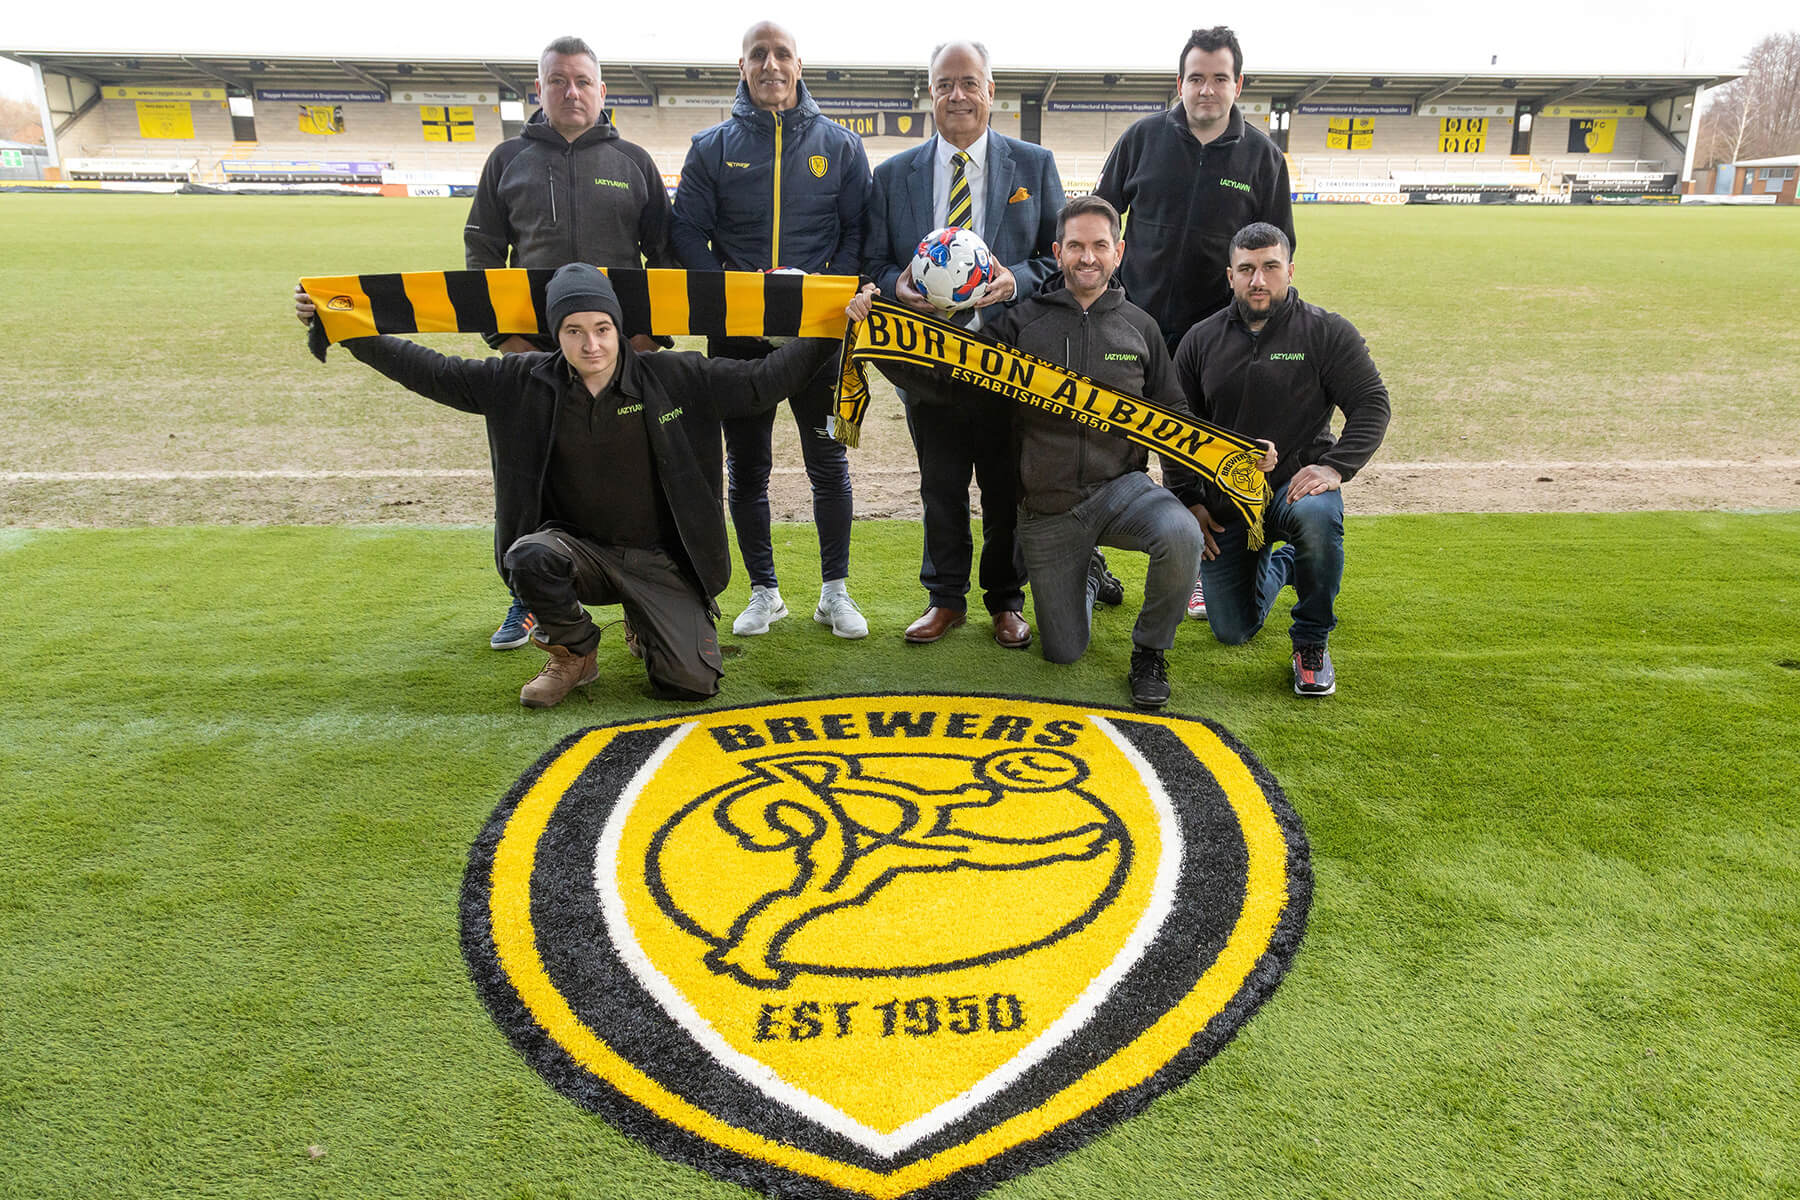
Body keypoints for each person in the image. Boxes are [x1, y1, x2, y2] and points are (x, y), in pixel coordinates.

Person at [294, 265, 859, 708]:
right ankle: (573, 653)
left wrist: (836, 326)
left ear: (619, 330)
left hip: (663, 559)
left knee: (689, 685)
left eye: (603, 329)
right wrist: (348, 328)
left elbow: (762, 384)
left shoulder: (674, 375)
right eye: (574, 331)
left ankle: (649, 624)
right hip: (577, 553)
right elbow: (434, 371)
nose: (591, 345)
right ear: (555, 334)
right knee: (529, 556)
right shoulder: (520, 381)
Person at [983, 195, 1272, 708]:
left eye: (1099, 246)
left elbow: (1175, 415)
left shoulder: (1141, 327)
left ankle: (1150, 652)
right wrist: (876, 327)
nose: (1087, 258)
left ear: (1119, 251)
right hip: (1049, 507)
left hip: (1123, 490)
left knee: (1181, 533)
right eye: (1075, 246)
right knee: (1064, 652)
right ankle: (1089, 573)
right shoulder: (1020, 323)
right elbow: (952, 376)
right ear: (1057, 251)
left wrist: (1228, 463)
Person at [463, 35, 678, 652]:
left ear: (602, 91)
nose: (572, 91)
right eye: (558, 81)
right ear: (539, 90)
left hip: (621, 359)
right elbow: (482, 256)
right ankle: (529, 600)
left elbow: (663, 259)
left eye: (583, 81)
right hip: (532, 359)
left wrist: (643, 341)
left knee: (632, 482)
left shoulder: (633, 161)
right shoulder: (507, 160)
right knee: (529, 478)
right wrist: (508, 341)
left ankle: (643, 601)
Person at [670, 21, 874, 641]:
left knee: (829, 463)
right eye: (758, 55)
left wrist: (817, 305)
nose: (771, 64)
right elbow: (686, 234)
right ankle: (765, 592)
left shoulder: (840, 146)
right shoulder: (711, 147)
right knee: (747, 469)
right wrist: (737, 303)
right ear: (742, 66)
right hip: (739, 342)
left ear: (799, 64)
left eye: (781, 53)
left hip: (820, 339)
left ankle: (834, 592)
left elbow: (858, 236)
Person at [863, 40, 1063, 650]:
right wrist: (897, 282)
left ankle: (1005, 600)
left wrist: (1014, 280)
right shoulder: (893, 175)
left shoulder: (1033, 165)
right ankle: (945, 598)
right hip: (928, 362)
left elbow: (1054, 258)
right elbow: (873, 259)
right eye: (945, 84)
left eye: (969, 83)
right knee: (940, 485)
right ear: (930, 93)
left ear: (990, 91)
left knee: (1007, 487)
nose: (958, 95)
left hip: (1006, 361)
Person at [1093, 25, 1295, 625]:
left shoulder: (1263, 156)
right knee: (1111, 443)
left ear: (1240, 84)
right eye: (1196, 77)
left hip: (1216, 338)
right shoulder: (1142, 139)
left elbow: (1279, 248)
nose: (1206, 89)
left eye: (1219, 78)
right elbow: (1101, 216)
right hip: (1132, 329)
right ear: (1179, 82)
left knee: (1203, 450)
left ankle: (1203, 570)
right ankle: (1093, 561)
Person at [1174, 223, 1390, 698]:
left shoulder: (1327, 333)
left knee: (1316, 519)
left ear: (1289, 270)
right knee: (1231, 630)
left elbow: (1372, 402)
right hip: (1230, 502)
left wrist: (1335, 467)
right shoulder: (1198, 341)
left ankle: (1311, 641)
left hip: (1296, 490)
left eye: (1271, 267)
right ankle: (1285, 563)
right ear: (1229, 275)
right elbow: (1177, 428)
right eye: (1247, 269)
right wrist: (1191, 501)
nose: (1259, 280)